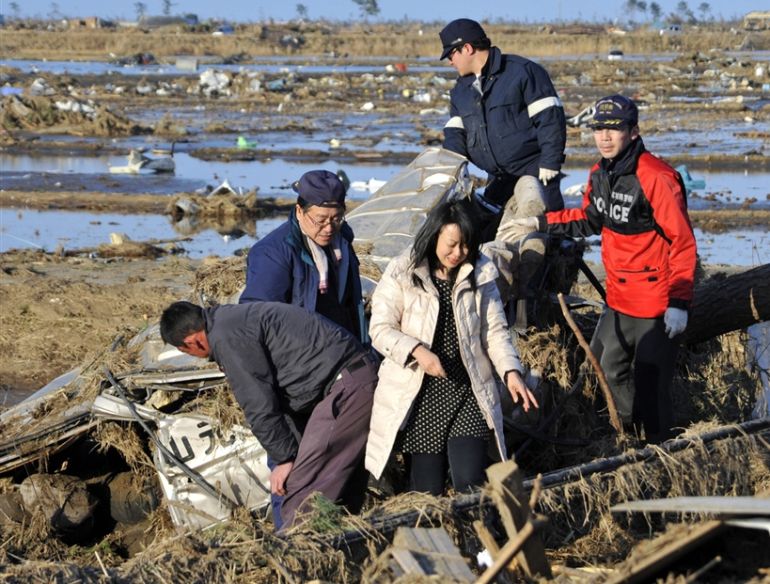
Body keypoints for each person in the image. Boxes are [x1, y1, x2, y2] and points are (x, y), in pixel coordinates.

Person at [505, 95, 697, 443]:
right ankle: (625, 438)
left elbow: (683, 243)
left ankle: (661, 449)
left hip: (656, 302)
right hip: (619, 298)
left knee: (652, 382)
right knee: (606, 368)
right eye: (599, 129)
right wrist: (540, 222)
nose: (605, 137)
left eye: (614, 128)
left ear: (633, 132)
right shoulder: (599, 173)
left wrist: (679, 303)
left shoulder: (656, 177)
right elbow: (589, 219)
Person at [364, 198, 539, 495]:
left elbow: (494, 332)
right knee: (426, 490)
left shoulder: (480, 274)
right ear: (434, 236)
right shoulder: (403, 271)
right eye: (452, 244)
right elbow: (380, 329)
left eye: (466, 245)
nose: (459, 253)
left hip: (467, 388)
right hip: (419, 392)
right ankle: (430, 540)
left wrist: (511, 372)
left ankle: (479, 541)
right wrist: (417, 351)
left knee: (470, 481)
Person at [159, 300, 378, 529]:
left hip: (347, 389)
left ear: (191, 342)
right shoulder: (232, 320)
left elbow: (258, 403)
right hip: (354, 380)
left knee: (301, 494)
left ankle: (295, 557)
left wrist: (284, 459)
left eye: (187, 352)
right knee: (340, 491)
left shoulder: (226, 336)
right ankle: (346, 548)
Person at [439, 18, 567, 239]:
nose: (450, 61)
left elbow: (550, 120)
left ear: (467, 48)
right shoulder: (460, 91)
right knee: (487, 237)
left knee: (540, 237)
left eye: (451, 54)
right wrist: (447, 173)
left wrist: (550, 162)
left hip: (536, 172)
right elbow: (455, 138)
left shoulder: (522, 72)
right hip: (499, 179)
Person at [239, 169, 367, 344]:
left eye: (336, 218)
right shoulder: (272, 253)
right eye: (320, 220)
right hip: (301, 354)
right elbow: (256, 315)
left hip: (341, 345)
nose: (329, 228)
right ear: (300, 211)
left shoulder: (342, 242)